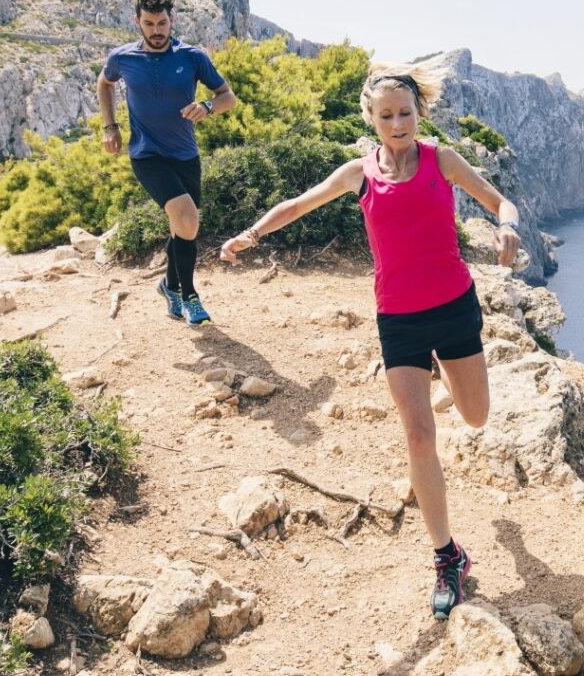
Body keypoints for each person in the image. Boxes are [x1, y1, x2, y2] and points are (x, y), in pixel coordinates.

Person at [219, 64, 523, 620]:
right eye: (386, 115)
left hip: (454, 307)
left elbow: (501, 202)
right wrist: (253, 233)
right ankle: (447, 556)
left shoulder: (441, 161)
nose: (398, 122)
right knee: (419, 436)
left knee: (476, 417)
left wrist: (507, 226)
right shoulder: (359, 173)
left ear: (418, 112)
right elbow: (300, 203)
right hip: (398, 319)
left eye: (405, 112)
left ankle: (453, 389)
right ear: (372, 118)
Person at [99, 0, 238, 325]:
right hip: (147, 154)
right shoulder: (122, 58)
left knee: (184, 226)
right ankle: (190, 297)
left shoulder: (192, 57)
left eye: (162, 24)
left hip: (185, 154)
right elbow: (105, 84)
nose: (157, 31)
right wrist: (110, 126)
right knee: (188, 217)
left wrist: (207, 106)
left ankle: (169, 284)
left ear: (171, 20)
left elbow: (227, 96)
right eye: (149, 24)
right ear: (138, 22)